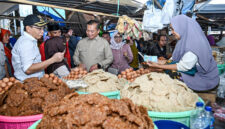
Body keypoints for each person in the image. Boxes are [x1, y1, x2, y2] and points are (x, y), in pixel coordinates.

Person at [146, 15, 219, 92]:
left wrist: (159, 65)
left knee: (171, 73)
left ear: (182, 27)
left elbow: (183, 66)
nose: (172, 32)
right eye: (171, 29)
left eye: (173, 29)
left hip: (205, 79)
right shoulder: (185, 40)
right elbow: (173, 59)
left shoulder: (194, 44)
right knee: (167, 68)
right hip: (194, 69)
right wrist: (158, 63)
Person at [12, 15, 65, 81]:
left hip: (33, 81)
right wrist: (53, 59)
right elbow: (28, 69)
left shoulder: (30, 41)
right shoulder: (26, 43)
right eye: (39, 28)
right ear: (28, 28)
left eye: (43, 28)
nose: (42, 31)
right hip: (29, 83)